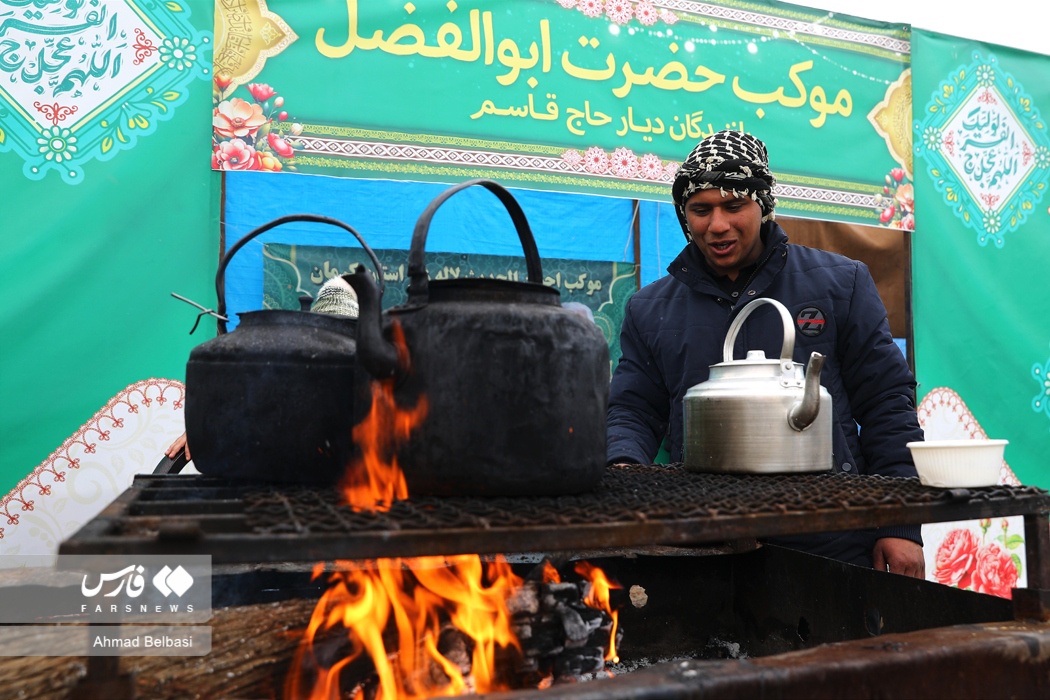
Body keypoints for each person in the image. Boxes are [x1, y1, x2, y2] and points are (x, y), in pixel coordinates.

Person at [606, 129, 926, 577]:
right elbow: (634, 411)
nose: (717, 225)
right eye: (701, 210)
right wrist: (623, 471)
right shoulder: (652, 307)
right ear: (684, 215)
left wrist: (901, 524)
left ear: (763, 204)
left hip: (830, 538)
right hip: (704, 544)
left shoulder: (840, 284)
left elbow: (887, 404)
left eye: (733, 206)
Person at [164, 274, 360, 462]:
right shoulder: (290, 370)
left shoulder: (371, 374)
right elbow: (249, 406)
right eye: (328, 336)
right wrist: (204, 427)